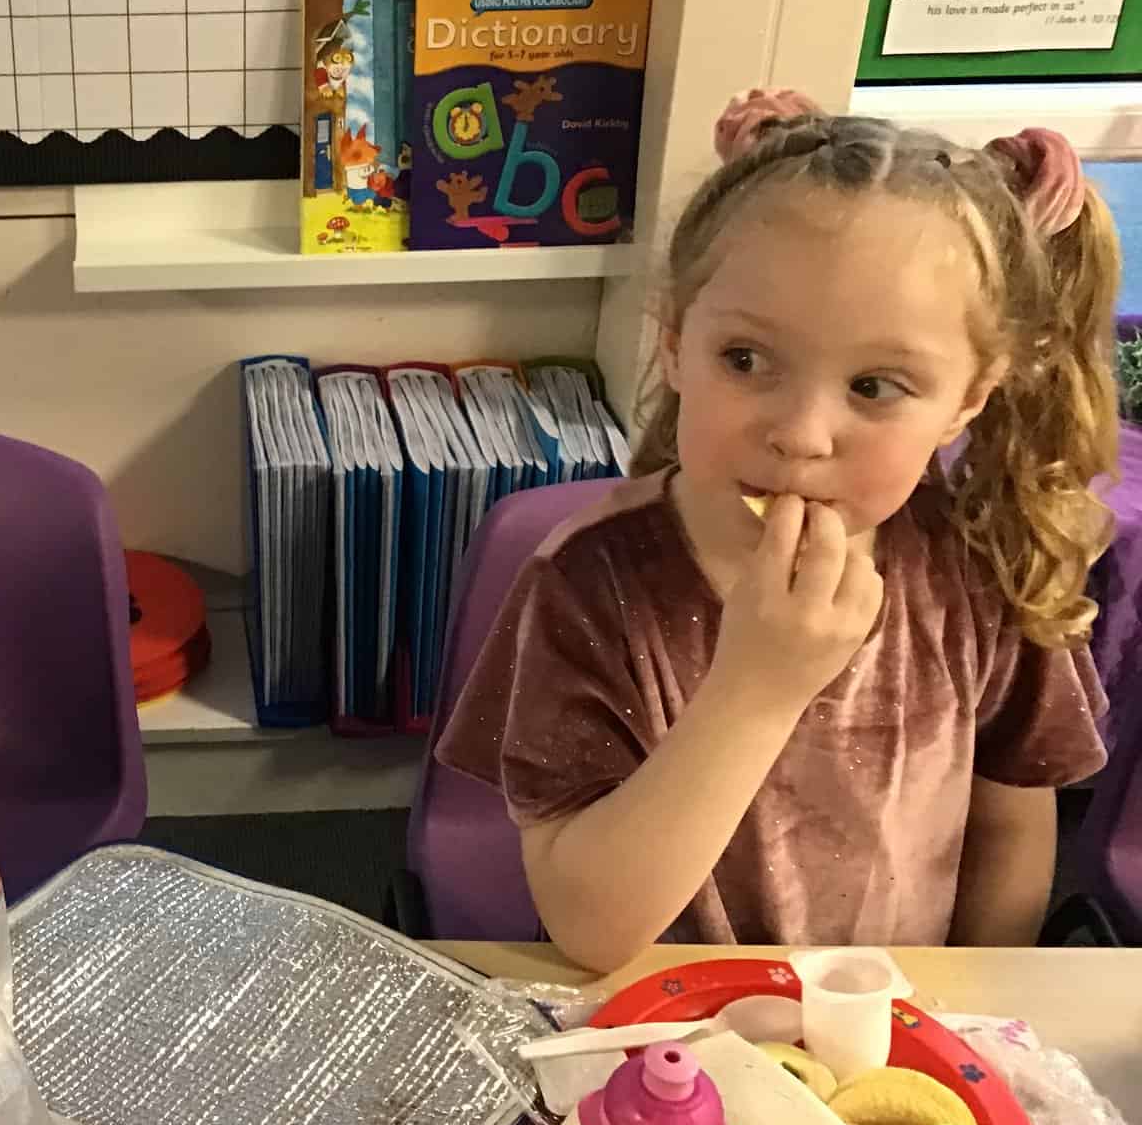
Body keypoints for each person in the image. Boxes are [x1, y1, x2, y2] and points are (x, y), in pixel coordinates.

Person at [437, 90, 1119, 972]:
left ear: (968, 401)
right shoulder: (585, 583)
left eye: (875, 386)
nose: (800, 435)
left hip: (878, 1019)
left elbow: (1012, 826)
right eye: (746, 360)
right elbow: (590, 927)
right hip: (652, 1027)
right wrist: (756, 688)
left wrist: (971, 1008)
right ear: (675, 345)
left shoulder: (983, 567)